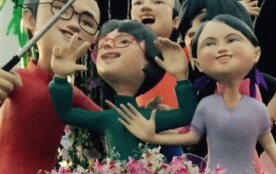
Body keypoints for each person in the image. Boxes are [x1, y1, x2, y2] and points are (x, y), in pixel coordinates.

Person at [110, 16, 276, 174]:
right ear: (198, 63)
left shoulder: (257, 109)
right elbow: (191, 137)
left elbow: (268, 144)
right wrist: (152, 137)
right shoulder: (207, 105)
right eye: (210, 43)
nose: (222, 48)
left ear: (256, 53)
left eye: (232, 40)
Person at [0, 0, 101, 174]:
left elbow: (109, 121)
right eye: (61, 8)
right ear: (30, 19)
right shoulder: (15, 79)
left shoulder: (69, 93)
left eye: (87, 22)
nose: (74, 24)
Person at [48, 20, 196, 162]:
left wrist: (181, 76)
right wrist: (60, 77)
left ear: (150, 56)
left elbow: (187, 115)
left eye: (123, 41)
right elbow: (65, 113)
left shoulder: (147, 117)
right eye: (102, 44)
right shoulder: (107, 118)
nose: (107, 46)